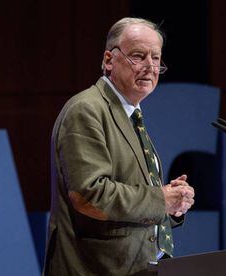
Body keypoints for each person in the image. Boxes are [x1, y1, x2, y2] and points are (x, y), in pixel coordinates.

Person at [43, 17, 195, 276]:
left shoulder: (131, 114)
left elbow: (134, 199)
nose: (150, 66)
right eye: (138, 56)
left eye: (156, 58)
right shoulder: (87, 109)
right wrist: (161, 199)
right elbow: (90, 195)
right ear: (108, 60)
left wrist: (173, 204)